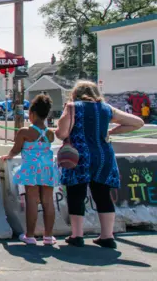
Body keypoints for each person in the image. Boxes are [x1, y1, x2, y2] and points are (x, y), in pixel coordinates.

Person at [56, 81, 143, 249]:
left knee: (76, 194)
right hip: (104, 156)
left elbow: (63, 133)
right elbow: (137, 122)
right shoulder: (106, 109)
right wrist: (111, 132)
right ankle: (107, 236)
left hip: (79, 157)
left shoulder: (72, 107)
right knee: (103, 195)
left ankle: (77, 235)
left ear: (75, 93)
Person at [3, 94, 59, 245]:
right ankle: (48, 236)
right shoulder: (50, 133)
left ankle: (30, 235)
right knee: (48, 201)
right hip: (47, 169)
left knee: (32, 201)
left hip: (31, 169)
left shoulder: (24, 132)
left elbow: (15, 149)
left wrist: (8, 156)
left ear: (32, 114)